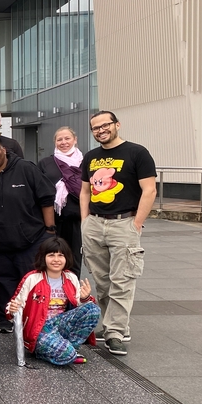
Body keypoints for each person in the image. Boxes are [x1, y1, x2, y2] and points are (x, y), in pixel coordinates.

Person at [79, 110, 157, 356]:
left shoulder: (137, 152)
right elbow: (85, 191)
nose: (101, 130)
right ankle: (115, 325)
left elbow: (149, 190)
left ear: (117, 125)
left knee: (122, 281)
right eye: (96, 128)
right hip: (94, 224)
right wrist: (85, 221)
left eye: (105, 125)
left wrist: (137, 223)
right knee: (102, 282)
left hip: (124, 223)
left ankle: (114, 332)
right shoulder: (91, 157)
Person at [0, 134, 55, 333]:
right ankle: (7, 316)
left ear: (4, 150)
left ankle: (34, 316)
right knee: (3, 281)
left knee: (30, 279)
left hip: (30, 238)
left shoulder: (26, 168)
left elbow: (46, 198)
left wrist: (50, 230)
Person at [7, 237, 101, 366]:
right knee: (67, 356)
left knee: (93, 309)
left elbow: (80, 306)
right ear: (43, 257)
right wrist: (12, 310)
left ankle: (71, 347)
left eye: (60, 255)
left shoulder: (70, 277)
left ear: (66, 258)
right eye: (51, 255)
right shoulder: (32, 278)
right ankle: (51, 351)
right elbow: (12, 306)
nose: (56, 259)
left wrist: (85, 298)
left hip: (60, 323)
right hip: (39, 329)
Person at [39, 127, 84, 275]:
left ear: (75, 140)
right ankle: (53, 287)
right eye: (59, 139)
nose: (63, 142)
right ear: (55, 142)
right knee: (52, 257)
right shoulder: (46, 163)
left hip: (78, 219)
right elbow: (39, 189)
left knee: (74, 258)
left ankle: (72, 287)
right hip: (54, 220)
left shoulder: (85, 162)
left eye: (67, 138)